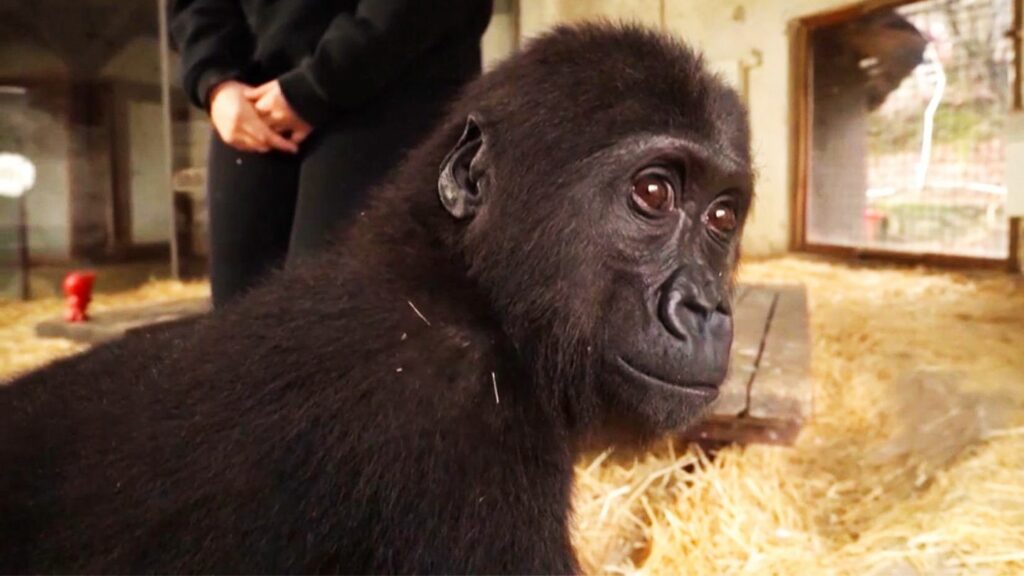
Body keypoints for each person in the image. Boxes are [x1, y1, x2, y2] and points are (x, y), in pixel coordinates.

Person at [171, 1, 494, 307]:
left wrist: (319, 83)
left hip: (396, 80)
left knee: (340, 316)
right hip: (251, 96)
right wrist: (214, 81)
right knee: (234, 328)